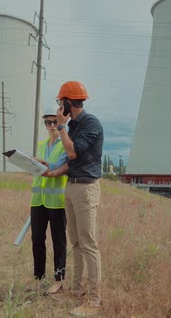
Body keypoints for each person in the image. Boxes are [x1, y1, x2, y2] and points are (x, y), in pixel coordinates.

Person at [53, 81, 104, 317]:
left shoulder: (90, 123)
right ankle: (77, 290)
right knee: (75, 242)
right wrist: (50, 171)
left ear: (67, 102)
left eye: (59, 102)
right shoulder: (72, 126)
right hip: (71, 187)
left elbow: (73, 151)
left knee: (88, 243)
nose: (58, 106)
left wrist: (61, 127)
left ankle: (94, 301)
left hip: (85, 189)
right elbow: (69, 160)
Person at [29, 106, 70, 294]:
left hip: (57, 201)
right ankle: (38, 277)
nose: (51, 125)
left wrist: (42, 163)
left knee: (58, 241)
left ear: (61, 122)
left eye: (54, 121)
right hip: (38, 199)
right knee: (37, 239)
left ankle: (59, 279)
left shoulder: (66, 143)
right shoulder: (41, 144)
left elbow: (58, 166)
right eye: (48, 122)